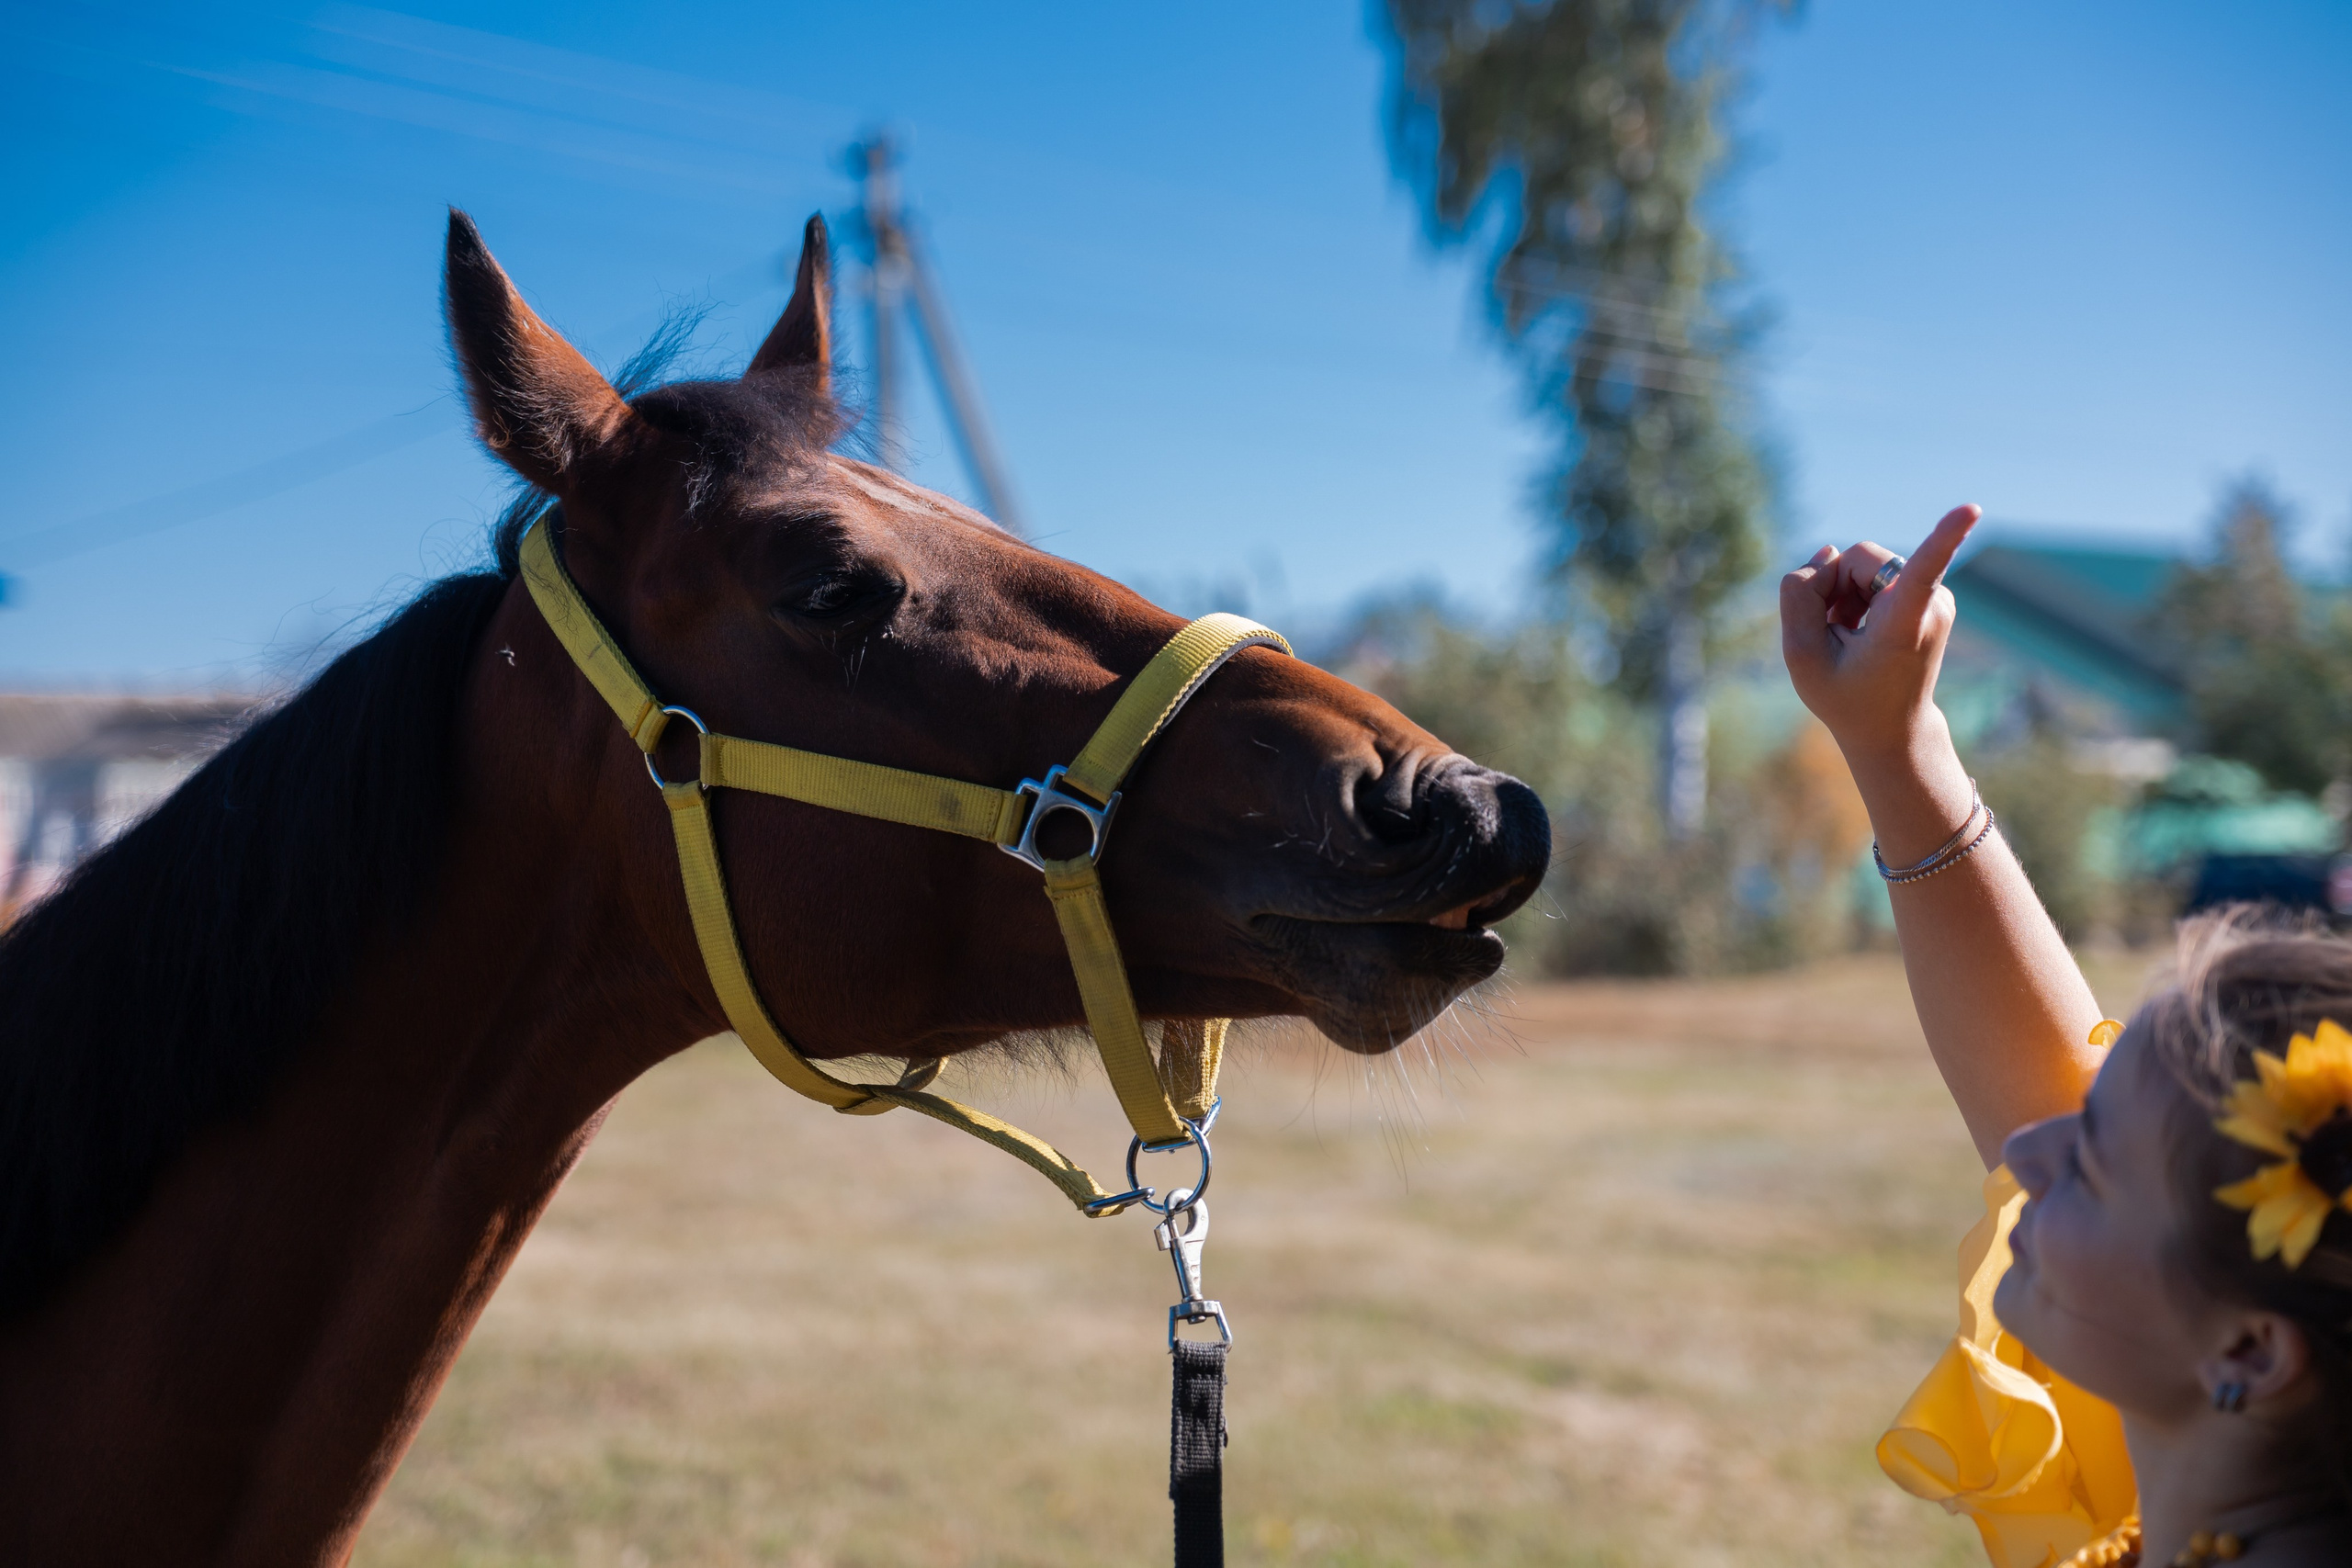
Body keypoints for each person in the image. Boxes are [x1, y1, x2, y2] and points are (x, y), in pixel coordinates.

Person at [1781, 507, 2352, 1568]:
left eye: (2090, 1162)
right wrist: (1894, 741)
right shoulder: (2222, 1459)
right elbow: (2050, 1098)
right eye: (2081, 1122)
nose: (2030, 1154)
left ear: (2252, 1349)